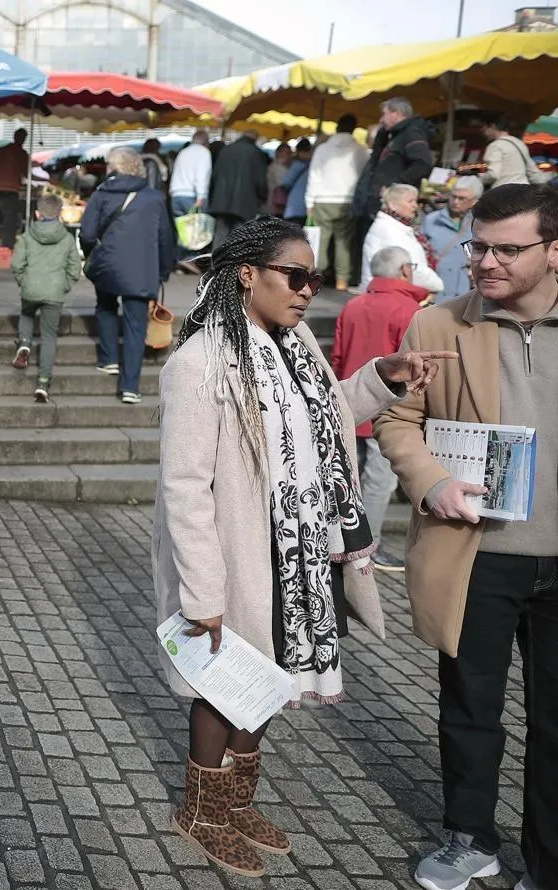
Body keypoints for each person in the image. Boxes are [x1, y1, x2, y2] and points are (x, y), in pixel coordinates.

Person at [155, 215, 449, 877]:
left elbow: (324, 416)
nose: (308, 289)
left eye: (314, 277)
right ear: (246, 274)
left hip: (297, 549)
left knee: (268, 679)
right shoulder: (200, 362)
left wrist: (382, 377)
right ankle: (201, 811)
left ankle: (236, 801)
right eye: (295, 276)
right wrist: (202, 591)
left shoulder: (295, 342)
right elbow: (183, 486)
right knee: (222, 685)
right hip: (236, 552)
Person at [375, 184, 558, 890]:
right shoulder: (438, 323)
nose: (485, 262)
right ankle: (469, 838)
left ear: (553, 251)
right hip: (477, 553)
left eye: (508, 250)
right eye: (477, 246)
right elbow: (397, 419)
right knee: (470, 709)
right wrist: (431, 482)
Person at [331, 246, 430, 572]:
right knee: (378, 483)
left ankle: (345, 543)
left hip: (350, 402)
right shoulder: (410, 310)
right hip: (385, 407)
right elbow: (415, 366)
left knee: (353, 480)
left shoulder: (353, 305)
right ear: (404, 270)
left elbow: (337, 357)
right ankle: (367, 546)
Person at [78, 146, 175, 405]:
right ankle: (130, 386)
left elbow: (87, 233)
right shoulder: (154, 198)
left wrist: (92, 253)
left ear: (114, 168)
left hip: (107, 263)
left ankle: (109, 359)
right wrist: (163, 270)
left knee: (106, 307)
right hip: (142, 269)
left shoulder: (101, 194)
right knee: (135, 325)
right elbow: (166, 239)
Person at [9, 192, 83, 403]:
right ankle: (42, 383)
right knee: (49, 336)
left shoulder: (27, 236)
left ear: (37, 213)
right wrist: (63, 286)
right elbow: (75, 269)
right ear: (60, 213)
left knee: (27, 313)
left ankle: (24, 343)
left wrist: (24, 281)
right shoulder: (67, 239)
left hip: (31, 288)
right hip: (55, 292)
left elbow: (16, 264)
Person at [306, 114, 370, 291]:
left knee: (320, 240)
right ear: (354, 128)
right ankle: (342, 280)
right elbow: (364, 177)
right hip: (348, 201)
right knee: (344, 242)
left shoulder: (323, 149)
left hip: (322, 200)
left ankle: (315, 275)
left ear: (337, 127)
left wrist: (309, 202)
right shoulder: (360, 150)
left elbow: (314, 175)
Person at [358, 97, 434, 222]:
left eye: (384, 114)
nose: (381, 119)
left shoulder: (412, 133)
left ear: (396, 113)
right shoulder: (396, 134)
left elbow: (423, 164)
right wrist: (381, 135)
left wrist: (394, 185)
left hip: (396, 203)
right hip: (382, 200)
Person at [361, 183, 445, 295]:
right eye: (410, 201)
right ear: (393, 205)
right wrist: (437, 285)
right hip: (390, 295)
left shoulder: (398, 226)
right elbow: (410, 269)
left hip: (391, 293)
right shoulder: (390, 231)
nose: (415, 206)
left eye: (415, 201)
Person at [421, 175, 482, 302]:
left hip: (465, 294)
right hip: (435, 293)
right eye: (453, 196)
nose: (456, 202)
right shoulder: (431, 220)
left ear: (474, 201)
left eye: (462, 198)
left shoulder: (481, 223)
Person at [210, 130, 269, 248]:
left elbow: (215, 175)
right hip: (244, 202)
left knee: (220, 235)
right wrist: (263, 196)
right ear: (255, 139)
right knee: (239, 238)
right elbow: (260, 180)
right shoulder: (255, 153)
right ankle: (234, 259)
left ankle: (216, 258)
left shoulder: (226, 150)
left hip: (221, 200)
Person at [169, 129, 213, 273]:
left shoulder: (183, 152)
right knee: (195, 231)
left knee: (181, 230)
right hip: (192, 195)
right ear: (206, 141)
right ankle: (189, 260)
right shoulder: (204, 153)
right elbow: (202, 175)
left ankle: (179, 261)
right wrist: (201, 196)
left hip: (176, 195)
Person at [0, 128, 30, 248]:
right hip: (11, 193)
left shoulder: (1, 150)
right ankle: (7, 251)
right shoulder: (22, 154)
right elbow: (26, 174)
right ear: (24, 139)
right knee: (9, 226)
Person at [482, 118, 551, 188]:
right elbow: (533, 173)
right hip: (523, 189)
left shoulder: (495, 145)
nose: (484, 133)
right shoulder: (520, 144)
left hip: (504, 190)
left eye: (484, 130)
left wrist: (479, 178)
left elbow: (493, 175)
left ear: (492, 126)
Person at [280, 138, 313, 226]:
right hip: (310, 207)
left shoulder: (297, 164)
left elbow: (286, 182)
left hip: (294, 207)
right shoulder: (315, 165)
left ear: (298, 151)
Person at [265, 143, 292, 214]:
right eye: (287, 152)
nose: (290, 155)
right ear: (279, 153)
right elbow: (283, 183)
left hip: (275, 201)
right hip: (277, 202)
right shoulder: (278, 167)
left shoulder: (274, 165)